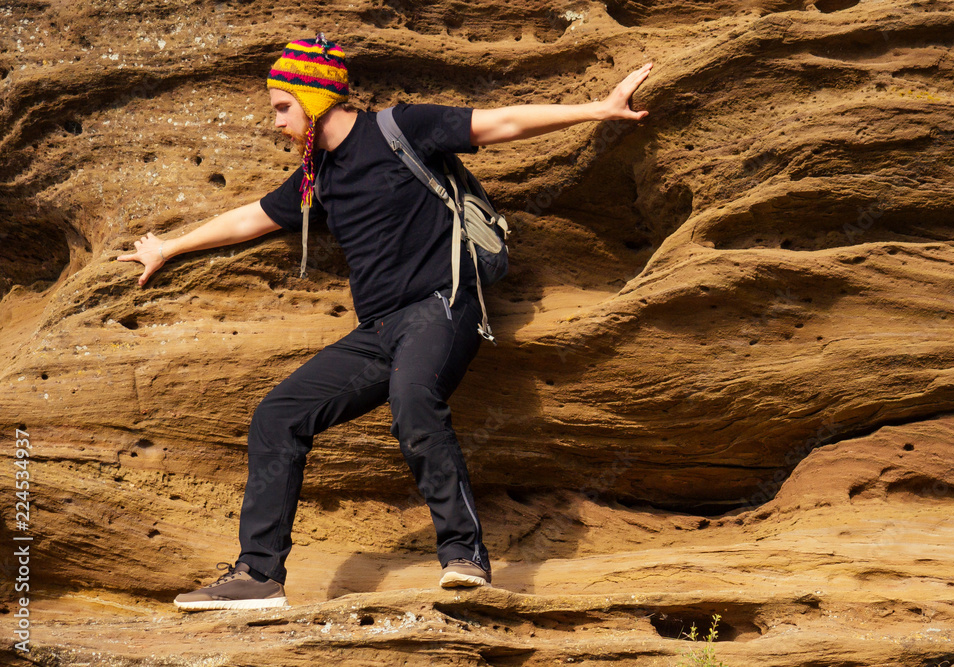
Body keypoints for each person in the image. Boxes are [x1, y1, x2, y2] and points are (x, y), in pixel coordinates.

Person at [118, 34, 652, 611]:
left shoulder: (401, 129)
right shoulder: (316, 174)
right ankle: (258, 575)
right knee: (278, 415)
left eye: (281, 106)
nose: (274, 122)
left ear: (315, 98)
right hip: (376, 331)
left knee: (414, 401)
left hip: (441, 308)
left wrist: (598, 109)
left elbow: (499, 123)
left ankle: (464, 554)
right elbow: (253, 217)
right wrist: (169, 247)